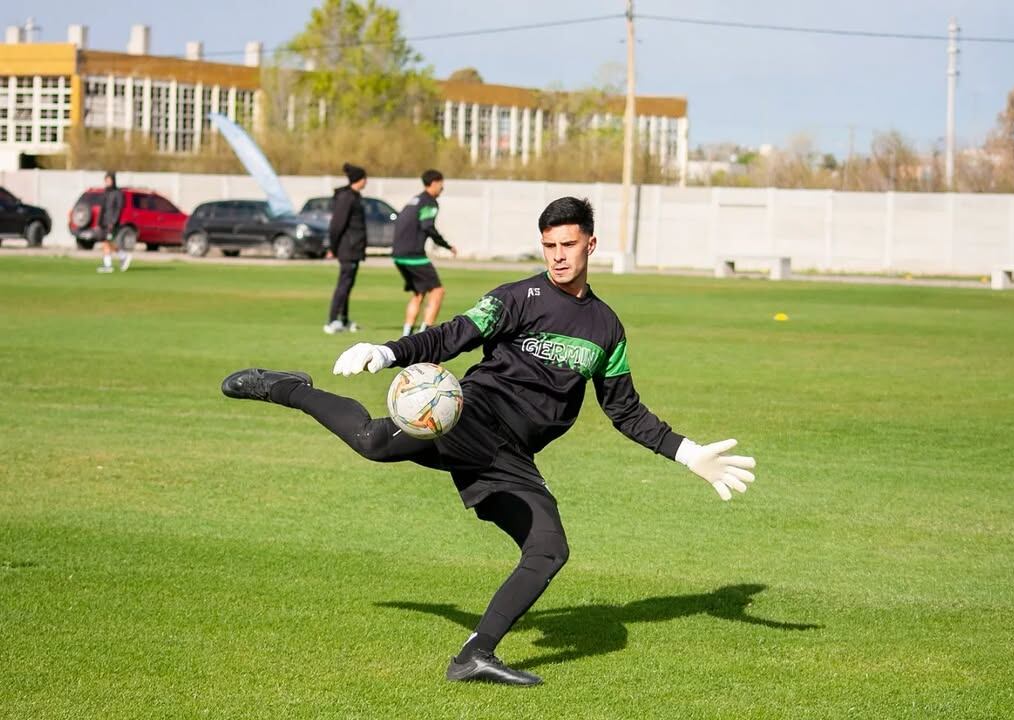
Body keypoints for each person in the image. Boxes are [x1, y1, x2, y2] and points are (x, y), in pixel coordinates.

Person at [221, 197, 757, 686]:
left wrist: (689, 453)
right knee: (371, 441)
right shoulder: (516, 297)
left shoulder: (606, 329)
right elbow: (454, 334)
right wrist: (388, 352)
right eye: (549, 245)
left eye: (568, 244)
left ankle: (473, 656)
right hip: (469, 416)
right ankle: (286, 388)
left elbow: (624, 410)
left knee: (549, 550)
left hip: (512, 455)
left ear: (590, 244)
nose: (558, 256)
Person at [392, 169, 457, 336]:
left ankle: (407, 334)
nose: (442, 188)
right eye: (441, 184)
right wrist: (446, 245)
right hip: (414, 255)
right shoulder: (429, 202)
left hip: (399, 254)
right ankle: (425, 335)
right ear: (434, 183)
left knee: (418, 293)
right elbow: (427, 226)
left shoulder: (415, 200)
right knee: (437, 291)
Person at [325, 162, 368, 334]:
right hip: (347, 249)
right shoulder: (347, 198)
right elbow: (337, 225)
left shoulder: (355, 196)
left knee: (348, 286)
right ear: (359, 179)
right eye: (364, 178)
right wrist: (333, 248)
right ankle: (332, 321)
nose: (366, 181)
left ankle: (343, 319)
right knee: (343, 285)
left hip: (355, 249)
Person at [97, 171, 131, 273]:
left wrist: (113, 222)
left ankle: (108, 265)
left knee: (107, 242)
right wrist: (99, 222)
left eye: (109, 180)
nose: (107, 182)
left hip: (112, 223)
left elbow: (118, 209)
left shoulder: (118, 193)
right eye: (106, 180)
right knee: (107, 242)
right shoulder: (106, 192)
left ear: (113, 181)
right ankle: (123, 256)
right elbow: (103, 209)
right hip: (104, 222)